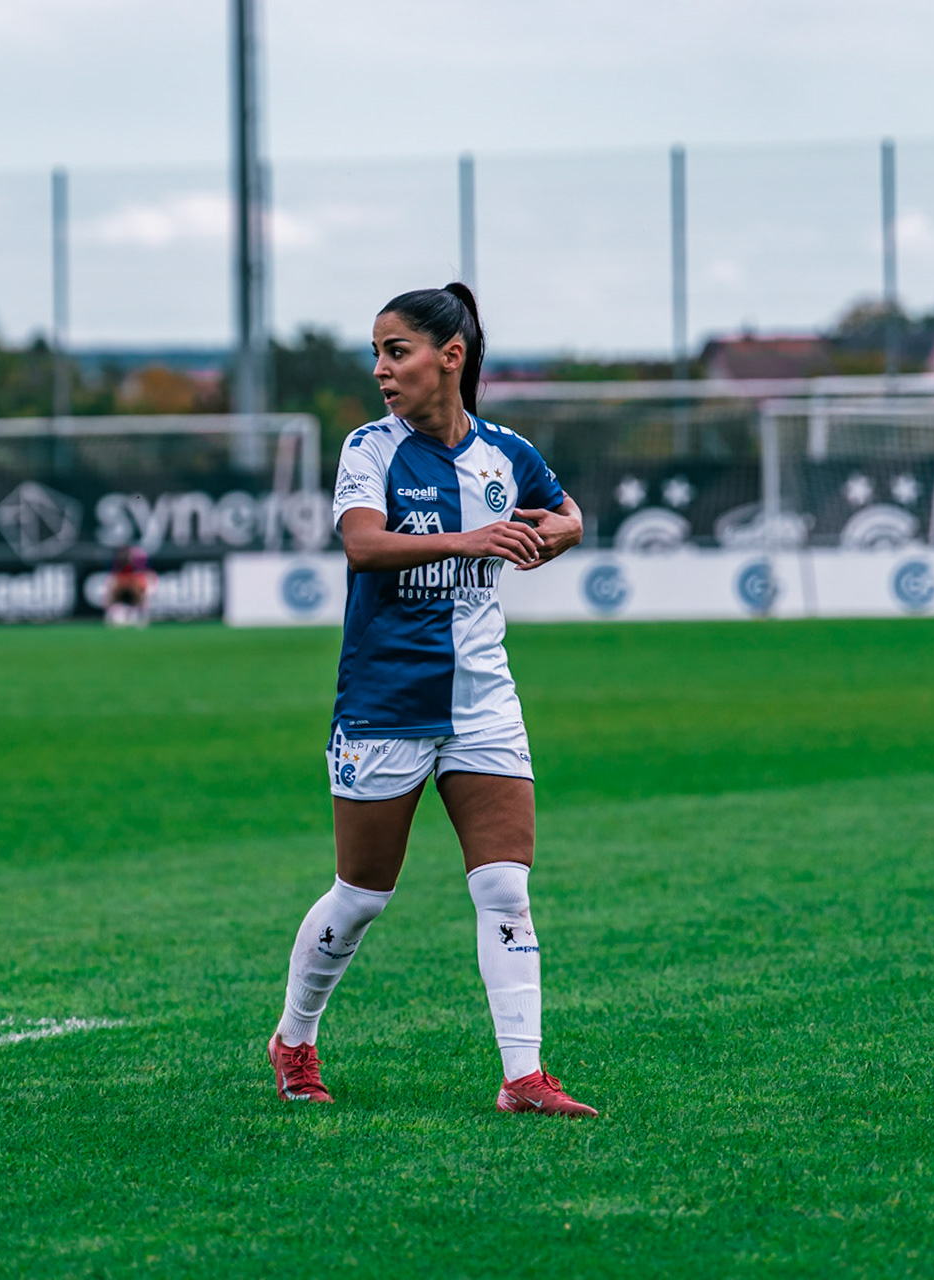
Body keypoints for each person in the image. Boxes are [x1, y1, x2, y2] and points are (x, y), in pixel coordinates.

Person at [266, 284, 596, 1116]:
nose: (381, 369)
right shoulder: (369, 449)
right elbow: (363, 545)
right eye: (376, 354)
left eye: (396, 350)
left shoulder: (505, 451)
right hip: (386, 703)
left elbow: (568, 517)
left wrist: (549, 535)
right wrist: (472, 539)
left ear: (451, 356)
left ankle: (523, 1076)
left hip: (483, 699)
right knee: (364, 895)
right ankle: (294, 1040)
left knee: (505, 888)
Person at [104, 546, 155, 627]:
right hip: (121, 592)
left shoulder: (138, 562)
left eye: (127, 555)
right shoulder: (115, 564)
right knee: (111, 586)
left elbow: (148, 576)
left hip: (135, 589)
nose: (124, 557)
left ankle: (140, 615)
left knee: (140, 587)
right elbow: (111, 580)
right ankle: (111, 614)